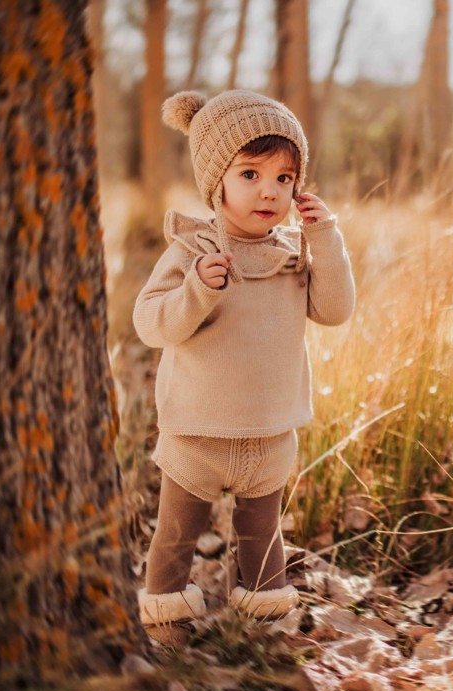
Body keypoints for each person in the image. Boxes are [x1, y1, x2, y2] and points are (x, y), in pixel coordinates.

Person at [132, 89, 355, 647]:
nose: (269, 191)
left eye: (284, 178)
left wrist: (324, 237)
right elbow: (151, 323)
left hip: (269, 433)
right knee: (176, 536)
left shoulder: (293, 255)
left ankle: (261, 628)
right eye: (251, 173)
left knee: (262, 535)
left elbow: (335, 310)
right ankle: (167, 627)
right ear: (217, 181)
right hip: (196, 434)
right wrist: (196, 291)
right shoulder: (192, 250)